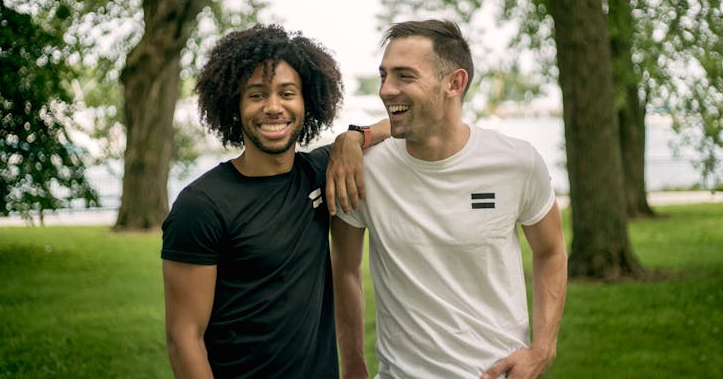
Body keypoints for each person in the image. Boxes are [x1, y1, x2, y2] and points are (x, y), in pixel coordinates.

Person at [330, 20, 568, 379]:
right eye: (384, 76)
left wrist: (543, 348)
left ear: (454, 83)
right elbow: (344, 270)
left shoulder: (517, 162)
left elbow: (551, 251)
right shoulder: (363, 170)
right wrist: (352, 368)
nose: (386, 90)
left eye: (404, 77)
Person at [161, 24, 386, 378]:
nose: (273, 107)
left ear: (306, 103)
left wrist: (354, 136)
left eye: (287, 93)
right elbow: (184, 337)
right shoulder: (201, 205)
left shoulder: (320, 172)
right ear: (234, 107)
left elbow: (399, 125)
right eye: (256, 95)